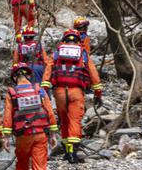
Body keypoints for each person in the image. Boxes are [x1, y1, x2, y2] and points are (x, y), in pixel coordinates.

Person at [2, 63, 59, 170]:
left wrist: (5, 138)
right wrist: (53, 134)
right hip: (40, 134)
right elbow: (49, 112)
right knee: (39, 165)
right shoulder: (39, 90)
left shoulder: (12, 92)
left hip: (23, 135)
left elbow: (8, 116)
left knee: (22, 163)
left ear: (15, 77)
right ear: (28, 75)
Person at [42, 29, 103, 163]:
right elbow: (93, 74)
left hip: (59, 92)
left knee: (64, 121)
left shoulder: (57, 53)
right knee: (74, 121)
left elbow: (48, 70)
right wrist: (98, 93)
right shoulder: (83, 53)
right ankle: (72, 153)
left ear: (64, 40)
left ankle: (66, 151)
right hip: (76, 91)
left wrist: (44, 89)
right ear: (77, 40)